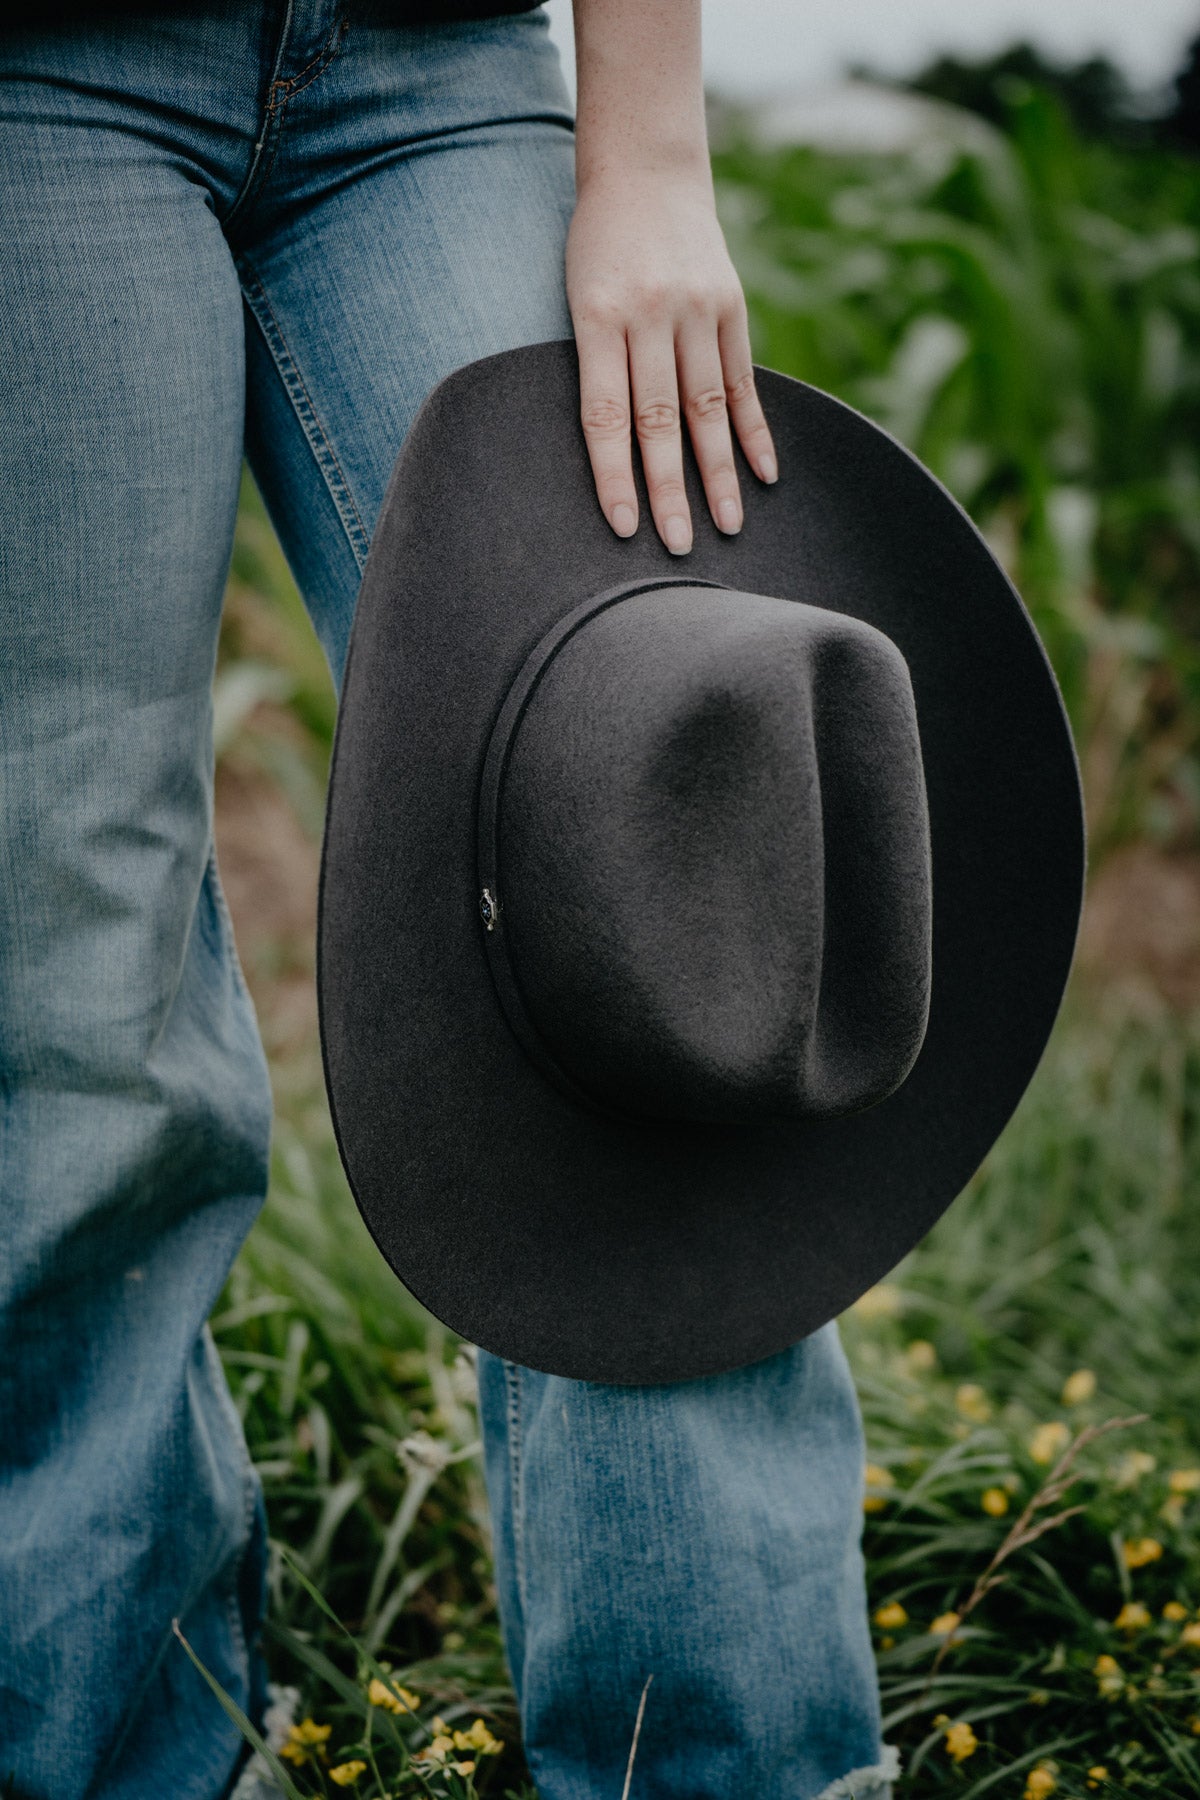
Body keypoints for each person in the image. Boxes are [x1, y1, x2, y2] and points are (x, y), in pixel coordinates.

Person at [0, 1, 898, 1795]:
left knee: (661, 895)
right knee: (61, 997)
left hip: (437, 67)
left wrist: (647, 157)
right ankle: (117, 1761)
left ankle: (726, 1768)